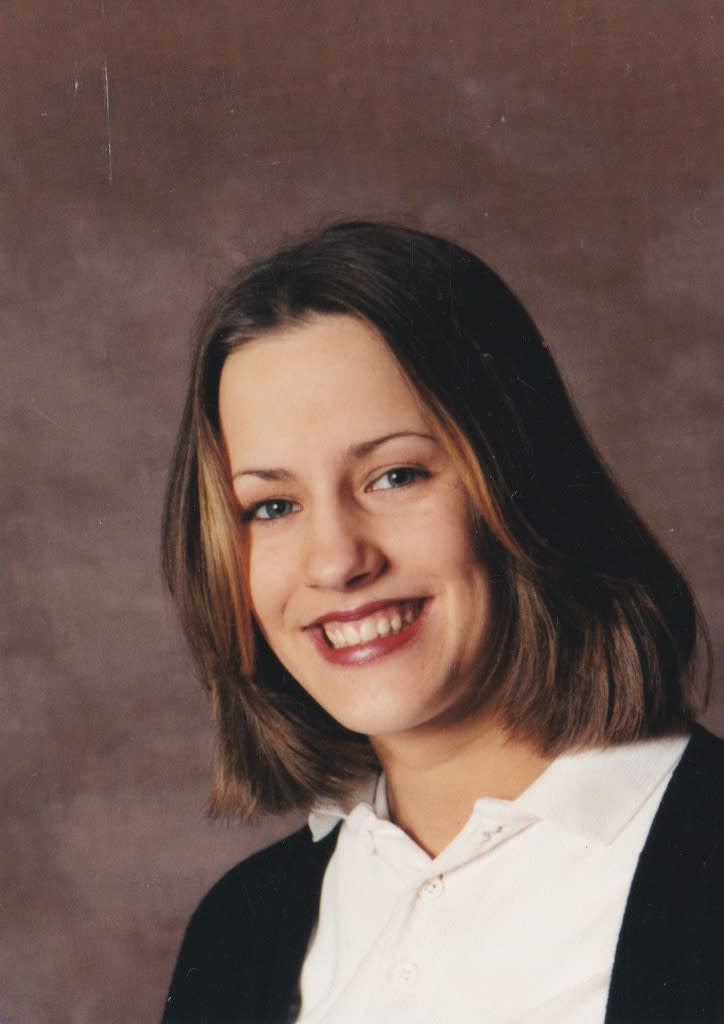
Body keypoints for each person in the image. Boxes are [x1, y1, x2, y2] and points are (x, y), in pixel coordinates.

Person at [159, 221, 722, 1024]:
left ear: (518, 477)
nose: (336, 561)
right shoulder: (237, 935)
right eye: (273, 505)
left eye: (395, 475)